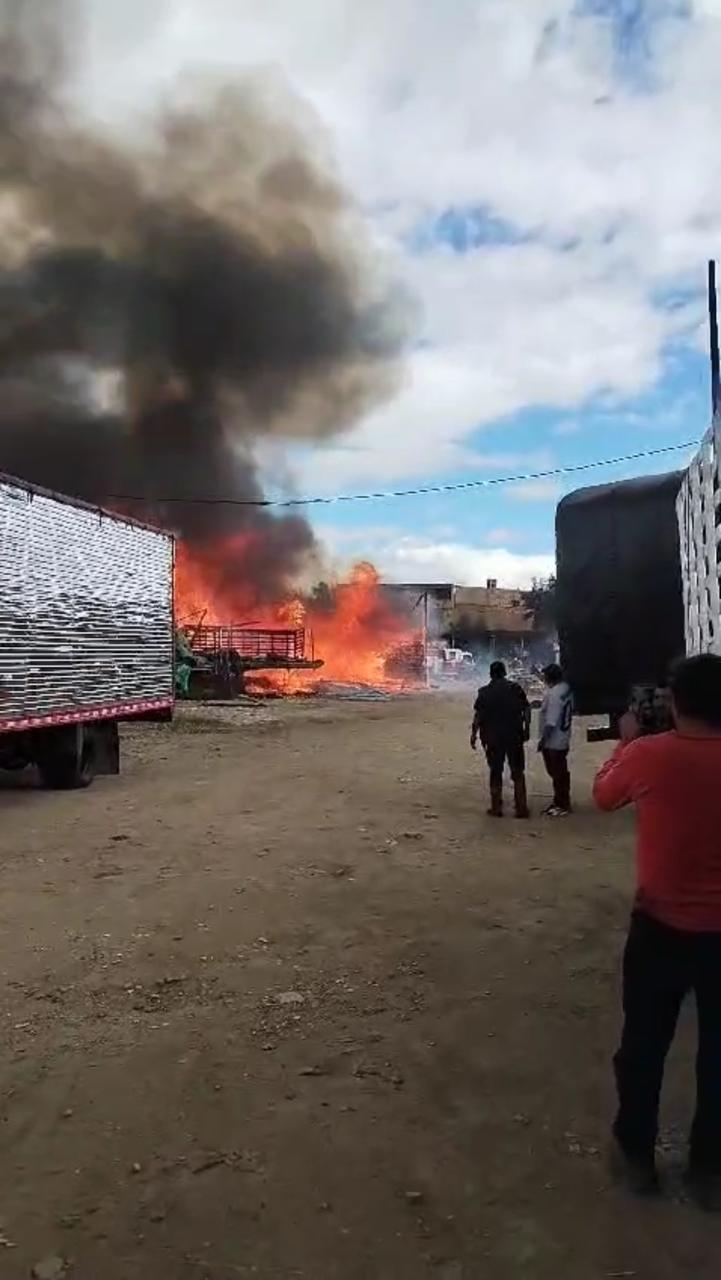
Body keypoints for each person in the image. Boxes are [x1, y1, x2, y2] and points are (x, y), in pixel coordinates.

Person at [593, 654, 721, 1206]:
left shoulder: (648, 756)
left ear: (674, 700)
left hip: (660, 929)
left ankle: (637, 1158)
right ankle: (710, 1172)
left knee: (643, 1048)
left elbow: (602, 796)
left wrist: (624, 741)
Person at [471, 660, 531, 818]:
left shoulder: (484, 692)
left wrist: (473, 734)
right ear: (504, 672)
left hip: (493, 738)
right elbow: (526, 709)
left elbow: (478, 716)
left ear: (491, 674)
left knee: (495, 772)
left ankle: (496, 808)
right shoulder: (515, 688)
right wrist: (527, 728)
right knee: (518, 772)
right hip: (514, 736)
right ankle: (521, 808)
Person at [538, 663, 573, 815]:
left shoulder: (553, 695)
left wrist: (543, 741)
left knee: (556, 773)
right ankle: (562, 800)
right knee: (561, 772)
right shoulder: (566, 689)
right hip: (564, 737)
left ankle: (562, 803)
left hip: (554, 741)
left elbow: (550, 723)